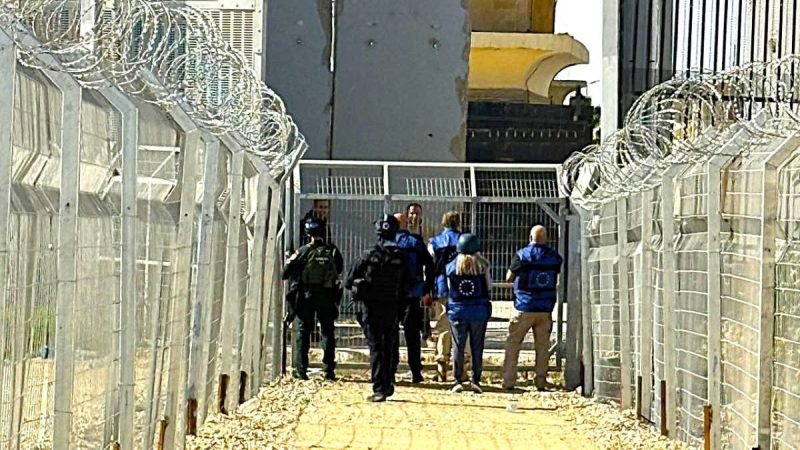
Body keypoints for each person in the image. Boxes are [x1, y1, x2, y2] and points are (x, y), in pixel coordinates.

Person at [345, 215, 412, 402]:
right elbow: (409, 283)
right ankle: (388, 383)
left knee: (376, 347)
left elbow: (349, 281)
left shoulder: (368, 255)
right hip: (393, 307)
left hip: (371, 308)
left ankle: (379, 389)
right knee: (389, 345)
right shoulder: (401, 257)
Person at [282, 217, 344, 381]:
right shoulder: (332, 251)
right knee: (327, 331)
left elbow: (285, 273)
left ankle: (301, 370)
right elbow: (339, 269)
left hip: (306, 296)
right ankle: (328, 370)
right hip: (327, 295)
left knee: (303, 332)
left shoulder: (303, 251)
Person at [502, 225, 563, 391]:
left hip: (524, 306)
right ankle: (541, 381)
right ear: (547, 239)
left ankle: (509, 381)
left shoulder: (522, 255)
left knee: (513, 344)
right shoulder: (554, 257)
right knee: (542, 347)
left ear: (530, 238)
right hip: (545, 308)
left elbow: (509, 278)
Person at [440, 233, 492, 394]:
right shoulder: (483, 265)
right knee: (477, 346)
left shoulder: (451, 267)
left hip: (458, 311)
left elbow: (448, 289)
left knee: (458, 345)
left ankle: (458, 379)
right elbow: (488, 287)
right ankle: (476, 379)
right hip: (478, 311)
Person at [392, 213, 434, 384]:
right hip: (413, 294)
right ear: (405, 223)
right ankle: (416, 371)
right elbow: (429, 265)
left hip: (392, 295)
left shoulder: (387, 241)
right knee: (413, 335)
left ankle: (391, 370)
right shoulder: (415, 241)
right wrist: (426, 288)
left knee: (391, 333)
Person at [428, 211, 462, 382]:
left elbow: (430, 266)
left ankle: (442, 368)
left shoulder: (435, 242)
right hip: (463, 288)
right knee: (462, 325)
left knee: (443, 325)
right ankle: (463, 369)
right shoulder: (465, 240)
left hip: (442, 286)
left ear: (443, 223)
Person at [406, 203, 433, 343]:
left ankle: (426, 330)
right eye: (412, 213)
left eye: (417, 213)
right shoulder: (404, 230)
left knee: (424, 303)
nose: (414, 216)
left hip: (422, 267)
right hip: (409, 271)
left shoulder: (427, 230)